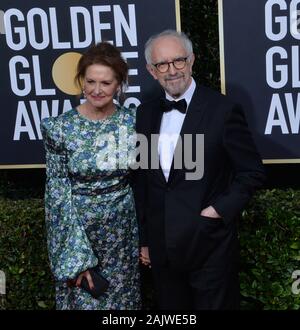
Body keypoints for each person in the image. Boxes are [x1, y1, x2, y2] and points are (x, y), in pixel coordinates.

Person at [135, 30, 266, 309]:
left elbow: (251, 171)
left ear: (192, 60)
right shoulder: (145, 113)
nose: (171, 71)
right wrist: (145, 240)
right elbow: (144, 180)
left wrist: (217, 210)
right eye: (162, 64)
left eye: (178, 61)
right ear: (151, 70)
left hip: (209, 249)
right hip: (162, 253)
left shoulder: (223, 109)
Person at [41, 42, 141, 310]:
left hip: (122, 231)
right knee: (85, 299)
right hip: (77, 230)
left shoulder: (133, 123)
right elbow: (57, 190)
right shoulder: (59, 128)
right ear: (81, 82)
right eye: (90, 81)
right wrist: (75, 254)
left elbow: (147, 182)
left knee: (122, 303)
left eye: (106, 83)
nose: (97, 90)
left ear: (119, 84)